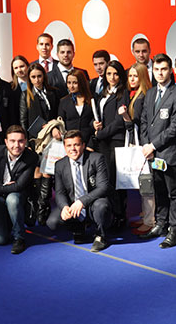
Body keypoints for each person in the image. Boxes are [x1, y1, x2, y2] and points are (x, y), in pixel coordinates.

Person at [139, 53, 176, 248]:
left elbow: (175, 127)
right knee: (158, 191)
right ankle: (161, 223)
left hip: (170, 153)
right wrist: (146, 145)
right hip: (152, 154)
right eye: (156, 69)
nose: (160, 73)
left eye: (164, 69)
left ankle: (174, 229)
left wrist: (153, 145)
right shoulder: (150, 93)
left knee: (174, 193)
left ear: (170, 71)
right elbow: (144, 121)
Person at [49, 130, 113, 252]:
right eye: (69, 145)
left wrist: (81, 201)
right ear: (64, 147)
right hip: (73, 204)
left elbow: (103, 187)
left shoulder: (97, 158)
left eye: (76, 145)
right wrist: (64, 207)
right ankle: (78, 228)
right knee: (52, 222)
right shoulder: (60, 165)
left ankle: (100, 236)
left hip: (93, 202)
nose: (72, 149)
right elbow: (59, 192)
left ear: (83, 145)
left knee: (101, 206)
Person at [0, 125, 38, 254]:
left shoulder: (31, 157)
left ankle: (19, 238)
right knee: (0, 240)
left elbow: (19, 186)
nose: (16, 145)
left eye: (20, 141)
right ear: (6, 142)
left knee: (12, 199)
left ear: (25, 141)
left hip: (18, 195)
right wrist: (2, 186)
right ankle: (9, 221)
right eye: (12, 141)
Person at [20, 62, 62, 225]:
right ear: (29, 79)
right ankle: (39, 209)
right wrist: (27, 143)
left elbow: (58, 115)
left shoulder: (53, 92)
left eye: (39, 76)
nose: (37, 80)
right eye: (33, 77)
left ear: (44, 76)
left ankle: (44, 208)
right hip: (35, 141)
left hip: (54, 140)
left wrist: (54, 127)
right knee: (39, 172)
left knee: (49, 172)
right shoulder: (26, 95)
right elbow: (23, 121)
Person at [92, 60, 129, 230]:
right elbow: (98, 115)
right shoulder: (102, 92)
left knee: (116, 181)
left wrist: (101, 134)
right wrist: (95, 124)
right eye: (109, 74)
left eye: (115, 74)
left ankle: (120, 216)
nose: (112, 77)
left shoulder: (123, 93)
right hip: (103, 142)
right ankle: (112, 214)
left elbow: (119, 122)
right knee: (106, 180)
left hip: (116, 141)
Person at [120, 62, 153, 235]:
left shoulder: (142, 97)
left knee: (147, 184)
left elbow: (138, 124)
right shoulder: (135, 95)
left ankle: (150, 220)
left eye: (135, 76)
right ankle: (146, 216)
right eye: (130, 76)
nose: (132, 79)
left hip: (142, 145)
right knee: (143, 184)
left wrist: (125, 116)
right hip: (139, 144)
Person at [58, 69, 95, 145]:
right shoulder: (63, 101)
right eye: (69, 83)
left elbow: (95, 121)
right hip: (70, 143)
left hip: (89, 142)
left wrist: (91, 144)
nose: (71, 86)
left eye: (75, 83)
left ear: (81, 83)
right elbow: (61, 123)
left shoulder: (92, 99)